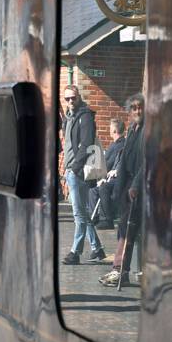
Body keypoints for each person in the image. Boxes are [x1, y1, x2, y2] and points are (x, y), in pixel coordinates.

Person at [100, 95, 145, 289]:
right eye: (133, 108)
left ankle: (121, 270)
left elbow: (147, 162)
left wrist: (135, 185)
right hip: (128, 185)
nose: (137, 111)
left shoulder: (148, 131)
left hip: (141, 186)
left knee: (132, 230)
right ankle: (121, 270)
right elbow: (125, 159)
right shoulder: (133, 130)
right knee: (125, 229)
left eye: (140, 108)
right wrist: (120, 188)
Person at [61, 84, 106, 264]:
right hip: (71, 170)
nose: (71, 101)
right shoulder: (70, 116)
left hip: (77, 171)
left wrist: (74, 167)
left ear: (79, 97)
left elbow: (87, 144)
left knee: (78, 214)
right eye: (67, 98)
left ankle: (75, 252)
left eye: (73, 97)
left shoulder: (85, 116)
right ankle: (98, 249)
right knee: (82, 214)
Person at [89, 117, 126, 229]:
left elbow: (107, 165)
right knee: (92, 191)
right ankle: (94, 217)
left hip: (116, 178)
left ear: (114, 131)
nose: (109, 130)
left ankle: (106, 219)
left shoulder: (117, 146)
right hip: (110, 176)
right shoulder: (117, 144)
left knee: (101, 187)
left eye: (110, 128)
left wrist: (101, 177)